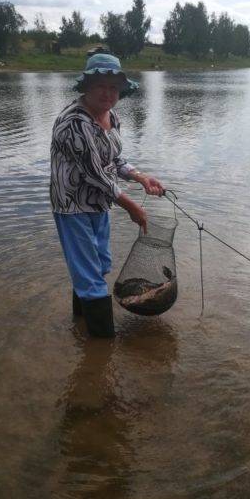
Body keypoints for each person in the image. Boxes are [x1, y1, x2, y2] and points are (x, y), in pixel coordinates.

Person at [50, 53, 164, 338]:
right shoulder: (74, 123)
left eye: (114, 87)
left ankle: (81, 325)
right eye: (101, 85)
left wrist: (140, 176)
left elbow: (114, 161)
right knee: (90, 276)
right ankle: (103, 347)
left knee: (97, 265)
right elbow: (95, 174)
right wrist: (131, 206)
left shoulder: (111, 116)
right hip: (73, 206)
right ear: (86, 86)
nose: (108, 93)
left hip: (100, 203)